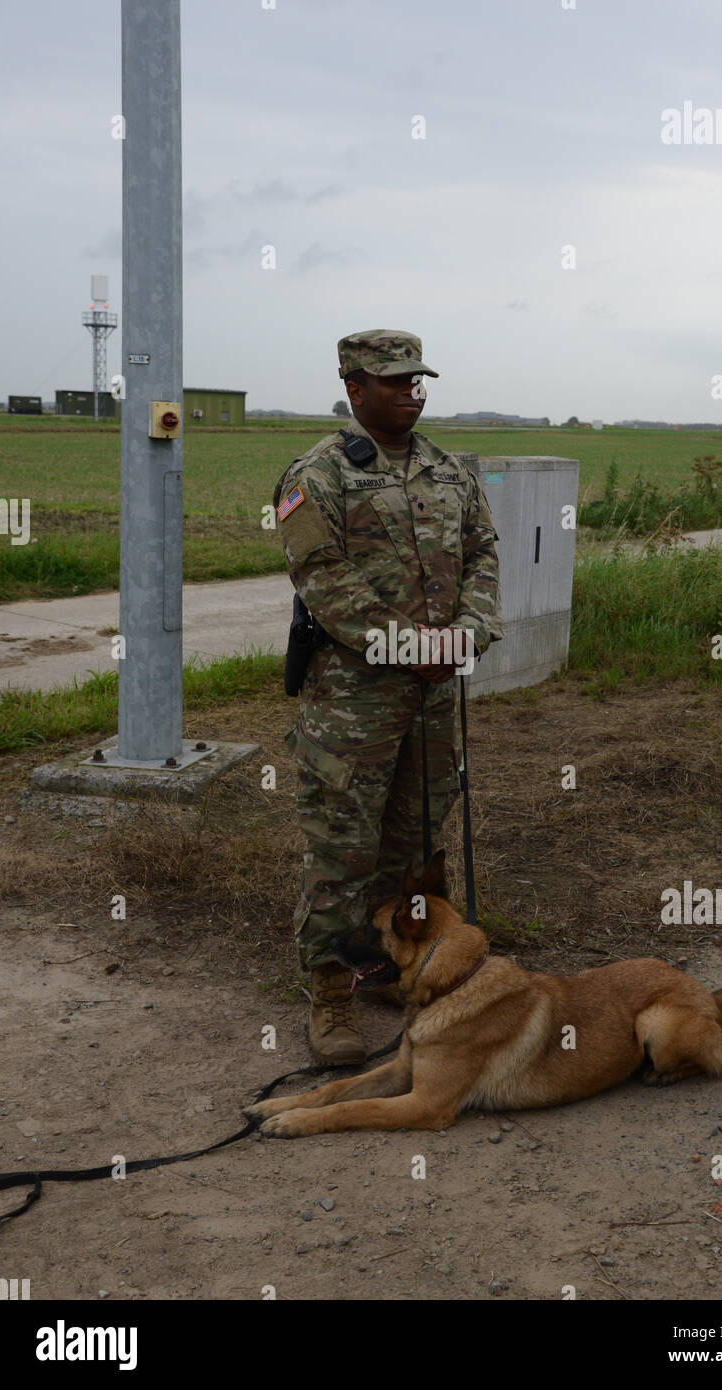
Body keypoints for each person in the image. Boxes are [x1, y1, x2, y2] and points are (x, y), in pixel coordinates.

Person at [273, 329, 502, 1063]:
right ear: (354, 388)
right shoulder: (318, 475)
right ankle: (330, 993)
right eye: (393, 381)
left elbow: (482, 552)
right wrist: (415, 648)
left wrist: (467, 631)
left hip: (431, 698)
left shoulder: (446, 469)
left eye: (416, 380)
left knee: (416, 838)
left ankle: (392, 964)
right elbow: (323, 577)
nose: (410, 392)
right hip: (354, 699)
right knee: (344, 844)